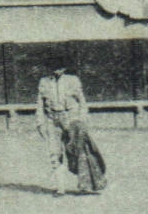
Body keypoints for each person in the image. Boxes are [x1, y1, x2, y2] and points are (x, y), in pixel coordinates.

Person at [36, 63, 107, 195]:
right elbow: (40, 104)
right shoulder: (44, 82)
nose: (57, 70)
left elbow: (82, 101)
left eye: (60, 67)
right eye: (54, 67)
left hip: (71, 119)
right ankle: (60, 188)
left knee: (80, 152)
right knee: (55, 153)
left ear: (64, 68)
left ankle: (86, 186)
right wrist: (40, 123)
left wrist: (81, 120)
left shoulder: (72, 80)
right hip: (52, 120)